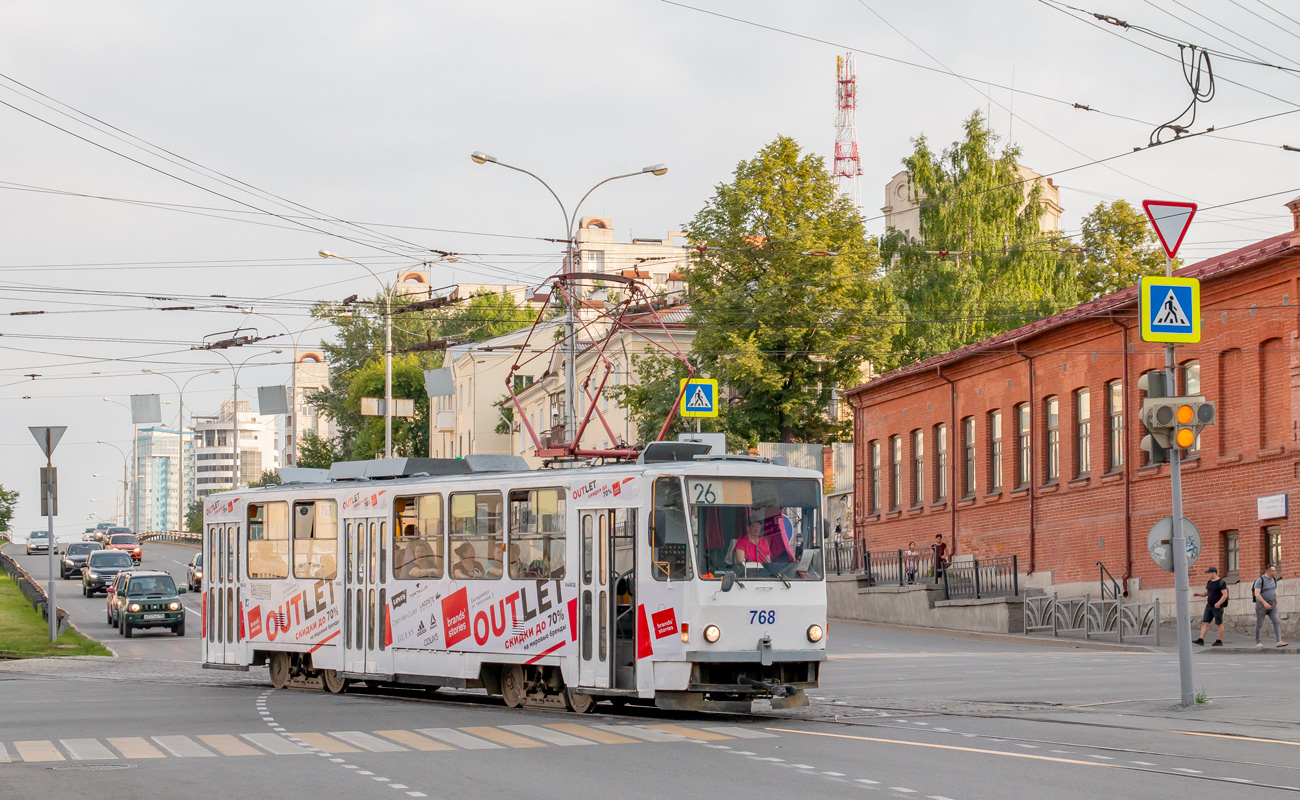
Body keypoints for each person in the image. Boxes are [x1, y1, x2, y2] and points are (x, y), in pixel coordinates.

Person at [1253, 564, 1289, 648]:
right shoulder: (1260, 580)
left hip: (1272, 605)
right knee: (1259, 623)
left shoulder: (1273, 579)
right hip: (1261, 606)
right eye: (1274, 571)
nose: (1275, 572)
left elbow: (1273, 592)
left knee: (1276, 621)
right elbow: (1257, 594)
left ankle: (1278, 641)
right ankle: (1258, 642)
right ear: (1268, 571)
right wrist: (1265, 603)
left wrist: (1275, 603)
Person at [1193, 566, 1228, 646]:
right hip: (1209, 605)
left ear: (1214, 573)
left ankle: (1219, 640)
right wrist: (1199, 594)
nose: (1208, 574)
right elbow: (1207, 593)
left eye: (1209, 573)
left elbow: (1225, 595)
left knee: (1219, 623)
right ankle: (1201, 639)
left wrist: (1219, 603)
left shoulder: (1221, 583)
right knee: (1204, 622)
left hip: (1217, 607)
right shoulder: (1209, 582)